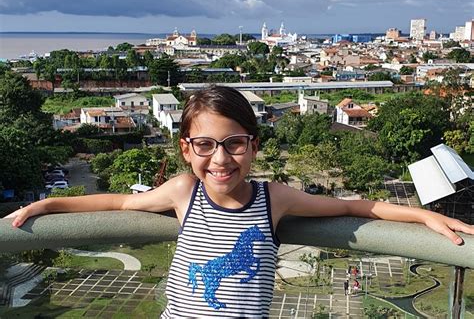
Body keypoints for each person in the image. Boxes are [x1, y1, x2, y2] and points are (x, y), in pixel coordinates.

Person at [5, 85, 474, 317]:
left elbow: (356, 207)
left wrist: (422, 215)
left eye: (234, 143)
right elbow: (115, 204)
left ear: (253, 146)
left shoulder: (273, 200)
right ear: (186, 149)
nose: (221, 158)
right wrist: (45, 206)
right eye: (205, 144)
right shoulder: (184, 191)